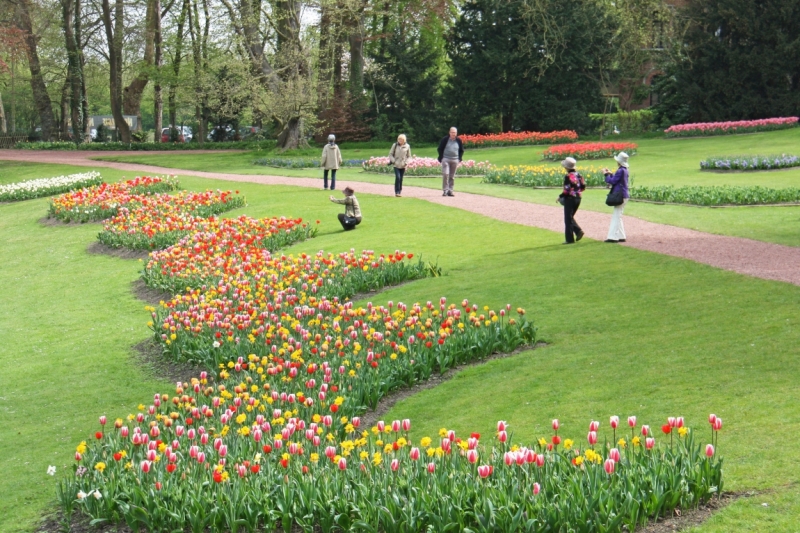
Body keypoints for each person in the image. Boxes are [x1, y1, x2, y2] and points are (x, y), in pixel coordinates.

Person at [557, 157, 586, 244]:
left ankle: (570, 239)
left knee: (567, 219)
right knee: (570, 218)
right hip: (578, 198)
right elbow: (583, 186)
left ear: (566, 167)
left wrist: (560, 196)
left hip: (570, 198)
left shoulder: (568, 176)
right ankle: (578, 231)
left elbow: (566, 190)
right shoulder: (579, 175)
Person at [603, 152, 630, 243]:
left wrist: (606, 175)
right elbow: (617, 180)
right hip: (624, 194)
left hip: (620, 195)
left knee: (616, 216)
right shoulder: (625, 170)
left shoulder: (620, 170)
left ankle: (613, 237)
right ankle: (621, 236)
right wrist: (611, 174)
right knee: (618, 215)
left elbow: (613, 181)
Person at [437, 127, 464, 197]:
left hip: (455, 160)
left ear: (456, 133)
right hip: (446, 159)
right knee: (446, 174)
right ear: (449, 132)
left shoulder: (458, 140)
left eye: (454, 133)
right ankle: (445, 190)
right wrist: (441, 158)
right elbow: (440, 148)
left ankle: (450, 190)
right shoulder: (445, 139)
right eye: (452, 132)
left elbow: (461, 150)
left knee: (452, 176)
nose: (453, 134)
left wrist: (459, 159)